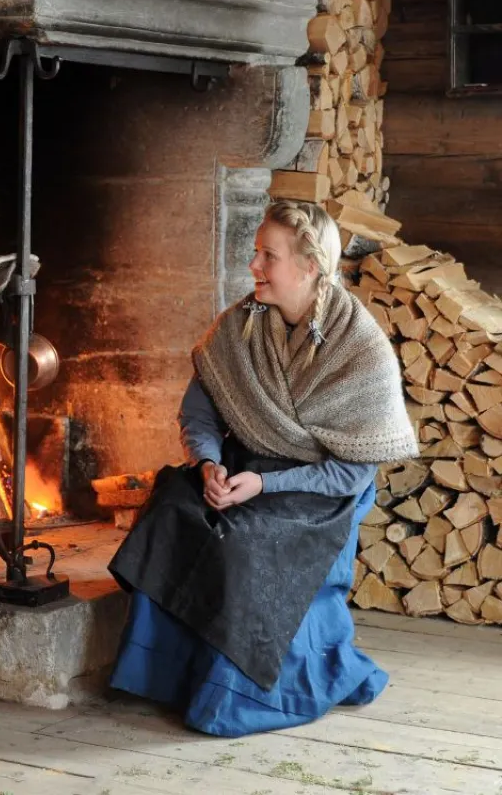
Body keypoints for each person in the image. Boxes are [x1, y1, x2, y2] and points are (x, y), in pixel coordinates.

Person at [108, 200, 418, 737]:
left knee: (244, 543)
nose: (253, 265)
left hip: (316, 491)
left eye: (267, 256)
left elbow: (350, 475)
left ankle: (236, 694)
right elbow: (198, 411)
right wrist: (207, 465)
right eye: (256, 252)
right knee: (172, 505)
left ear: (309, 267)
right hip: (241, 467)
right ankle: (163, 676)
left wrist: (264, 485)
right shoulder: (241, 326)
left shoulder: (360, 349)